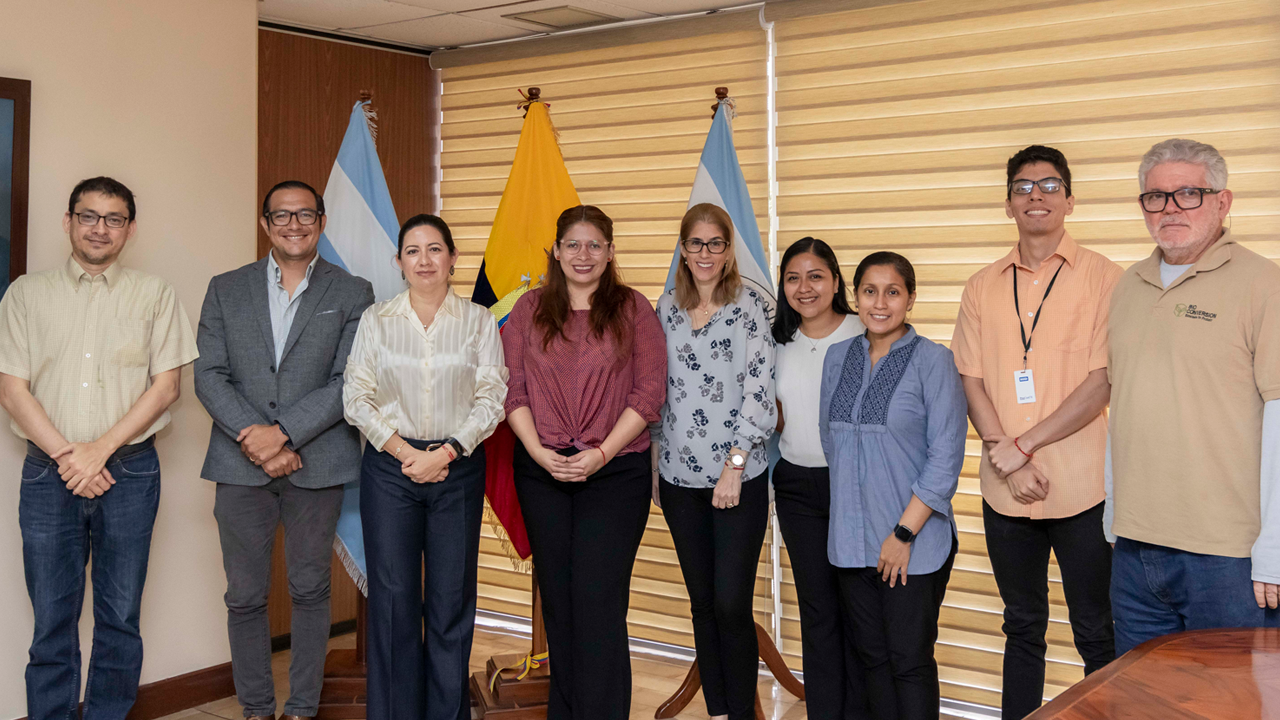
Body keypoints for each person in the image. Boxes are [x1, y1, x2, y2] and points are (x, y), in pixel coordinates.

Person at [0, 177, 197, 719]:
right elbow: (11, 389)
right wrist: (70, 455)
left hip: (129, 472)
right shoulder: (24, 293)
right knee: (51, 619)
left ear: (129, 230)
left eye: (113, 219)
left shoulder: (154, 294)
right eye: (89, 216)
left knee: (120, 615)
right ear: (68, 221)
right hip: (48, 476)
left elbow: (167, 388)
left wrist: (99, 451)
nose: (99, 228)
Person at [951, 145, 1121, 717]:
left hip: (1083, 491)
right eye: (1023, 187)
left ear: (1070, 199)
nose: (1036, 196)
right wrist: (1011, 460)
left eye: (1049, 185)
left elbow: (1102, 381)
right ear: (1007, 204)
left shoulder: (1106, 279)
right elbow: (971, 380)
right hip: (1006, 491)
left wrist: (1022, 446)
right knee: (1021, 627)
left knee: (1096, 629)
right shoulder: (981, 287)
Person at [194, 181, 374, 720]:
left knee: (310, 590)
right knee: (244, 596)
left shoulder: (353, 291)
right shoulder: (226, 288)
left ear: (320, 221)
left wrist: (287, 434)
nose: (293, 224)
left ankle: (300, 709)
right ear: (265, 223)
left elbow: (350, 381)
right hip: (238, 463)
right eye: (281, 215)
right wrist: (260, 439)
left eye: (304, 215)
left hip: (317, 464)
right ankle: (255, 708)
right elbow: (208, 375)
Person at [1106, 138, 1280, 655]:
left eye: (1189, 194)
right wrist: (1115, 514)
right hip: (1135, 551)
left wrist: (1274, 550)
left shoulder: (1263, 284)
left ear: (1223, 202)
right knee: (1140, 706)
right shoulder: (1128, 286)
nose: (1170, 209)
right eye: (1155, 197)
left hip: (1228, 558)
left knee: (1234, 708)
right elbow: (1126, 405)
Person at [503, 205, 666, 720]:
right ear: (555, 250)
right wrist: (537, 451)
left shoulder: (635, 309)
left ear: (611, 252)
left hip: (615, 471)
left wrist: (598, 455)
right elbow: (510, 389)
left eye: (595, 244)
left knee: (597, 604)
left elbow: (648, 394)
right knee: (560, 602)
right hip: (541, 469)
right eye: (572, 244)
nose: (583, 254)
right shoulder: (528, 310)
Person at [343, 214, 507, 720]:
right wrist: (405, 452)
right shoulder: (377, 319)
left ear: (453, 258)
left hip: (456, 467)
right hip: (391, 471)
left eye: (435, 249)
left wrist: (446, 452)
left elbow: (492, 396)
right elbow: (356, 397)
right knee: (392, 601)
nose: (424, 260)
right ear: (398, 262)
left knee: (450, 601)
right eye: (412, 251)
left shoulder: (478, 321)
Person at [821, 252, 965, 720]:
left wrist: (903, 534)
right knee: (872, 661)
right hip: (850, 542)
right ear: (855, 297)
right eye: (869, 291)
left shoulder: (934, 361)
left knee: (908, 662)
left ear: (911, 299)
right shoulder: (837, 358)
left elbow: (946, 458)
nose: (880, 303)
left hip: (912, 545)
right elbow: (832, 441)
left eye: (893, 291)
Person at [654, 202, 776, 720]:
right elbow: (655, 391)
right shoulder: (663, 310)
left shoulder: (750, 306)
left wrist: (734, 463)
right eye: (696, 243)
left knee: (731, 604)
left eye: (716, 243)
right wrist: (656, 462)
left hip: (739, 477)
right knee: (702, 604)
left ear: (729, 252)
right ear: (683, 249)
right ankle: (720, 711)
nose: (705, 253)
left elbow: (759, 388)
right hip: (678, 477)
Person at [770, 236, 870, 720]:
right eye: (793, 277)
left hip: (855, 487)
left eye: (815, 276)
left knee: (861, 610)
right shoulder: (776, 344)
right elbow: (777, 416)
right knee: (817, 610)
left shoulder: (863, 331)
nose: (804, 287)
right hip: (796, 487)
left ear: (835, 281)